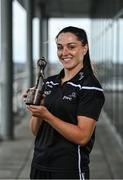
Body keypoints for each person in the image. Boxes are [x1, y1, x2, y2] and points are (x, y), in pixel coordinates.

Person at [24, 26, 105, 179]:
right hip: (39, 165)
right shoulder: (49, 83)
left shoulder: (90, 87)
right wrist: (38, 106)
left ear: (85, 48)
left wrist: (47, 115)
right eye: (60, 47)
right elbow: (36, 131)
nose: (64, 53)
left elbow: (82, 136)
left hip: (68, 169)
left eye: (71, 47)